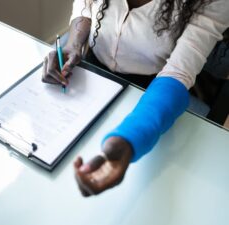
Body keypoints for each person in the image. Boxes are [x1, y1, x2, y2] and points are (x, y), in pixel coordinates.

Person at [42, 0, 229, 196]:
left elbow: (179, 73)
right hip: (92, 76)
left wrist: (129, 139)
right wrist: (73, 44)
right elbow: (86, 4)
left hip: (150, 92)